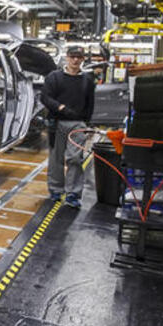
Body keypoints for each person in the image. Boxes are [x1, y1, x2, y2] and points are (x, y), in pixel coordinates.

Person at [42, 45, 96, 208]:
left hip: (78, 125)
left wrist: (87, 124)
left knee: (75, 159)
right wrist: (59, 107)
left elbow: (90, 104)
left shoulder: (87, 80)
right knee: (56, 158)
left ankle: (73, 193)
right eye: (72, 56)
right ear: (67, 57)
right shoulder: (54, 77)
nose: (75, 60)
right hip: (57, 123)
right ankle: (56, 190)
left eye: (79, 57)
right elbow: (45, 97)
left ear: (82, 59)